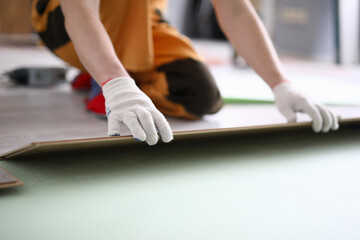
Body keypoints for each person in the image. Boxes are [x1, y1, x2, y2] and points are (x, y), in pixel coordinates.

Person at [31, 0, 339, 145]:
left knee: (199, 94)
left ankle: (112, 72)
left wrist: (282, 85)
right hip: (66, 23)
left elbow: (236, 11)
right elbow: (79, 10)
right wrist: (116, 84)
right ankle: (107, 74)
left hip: (143, 23)